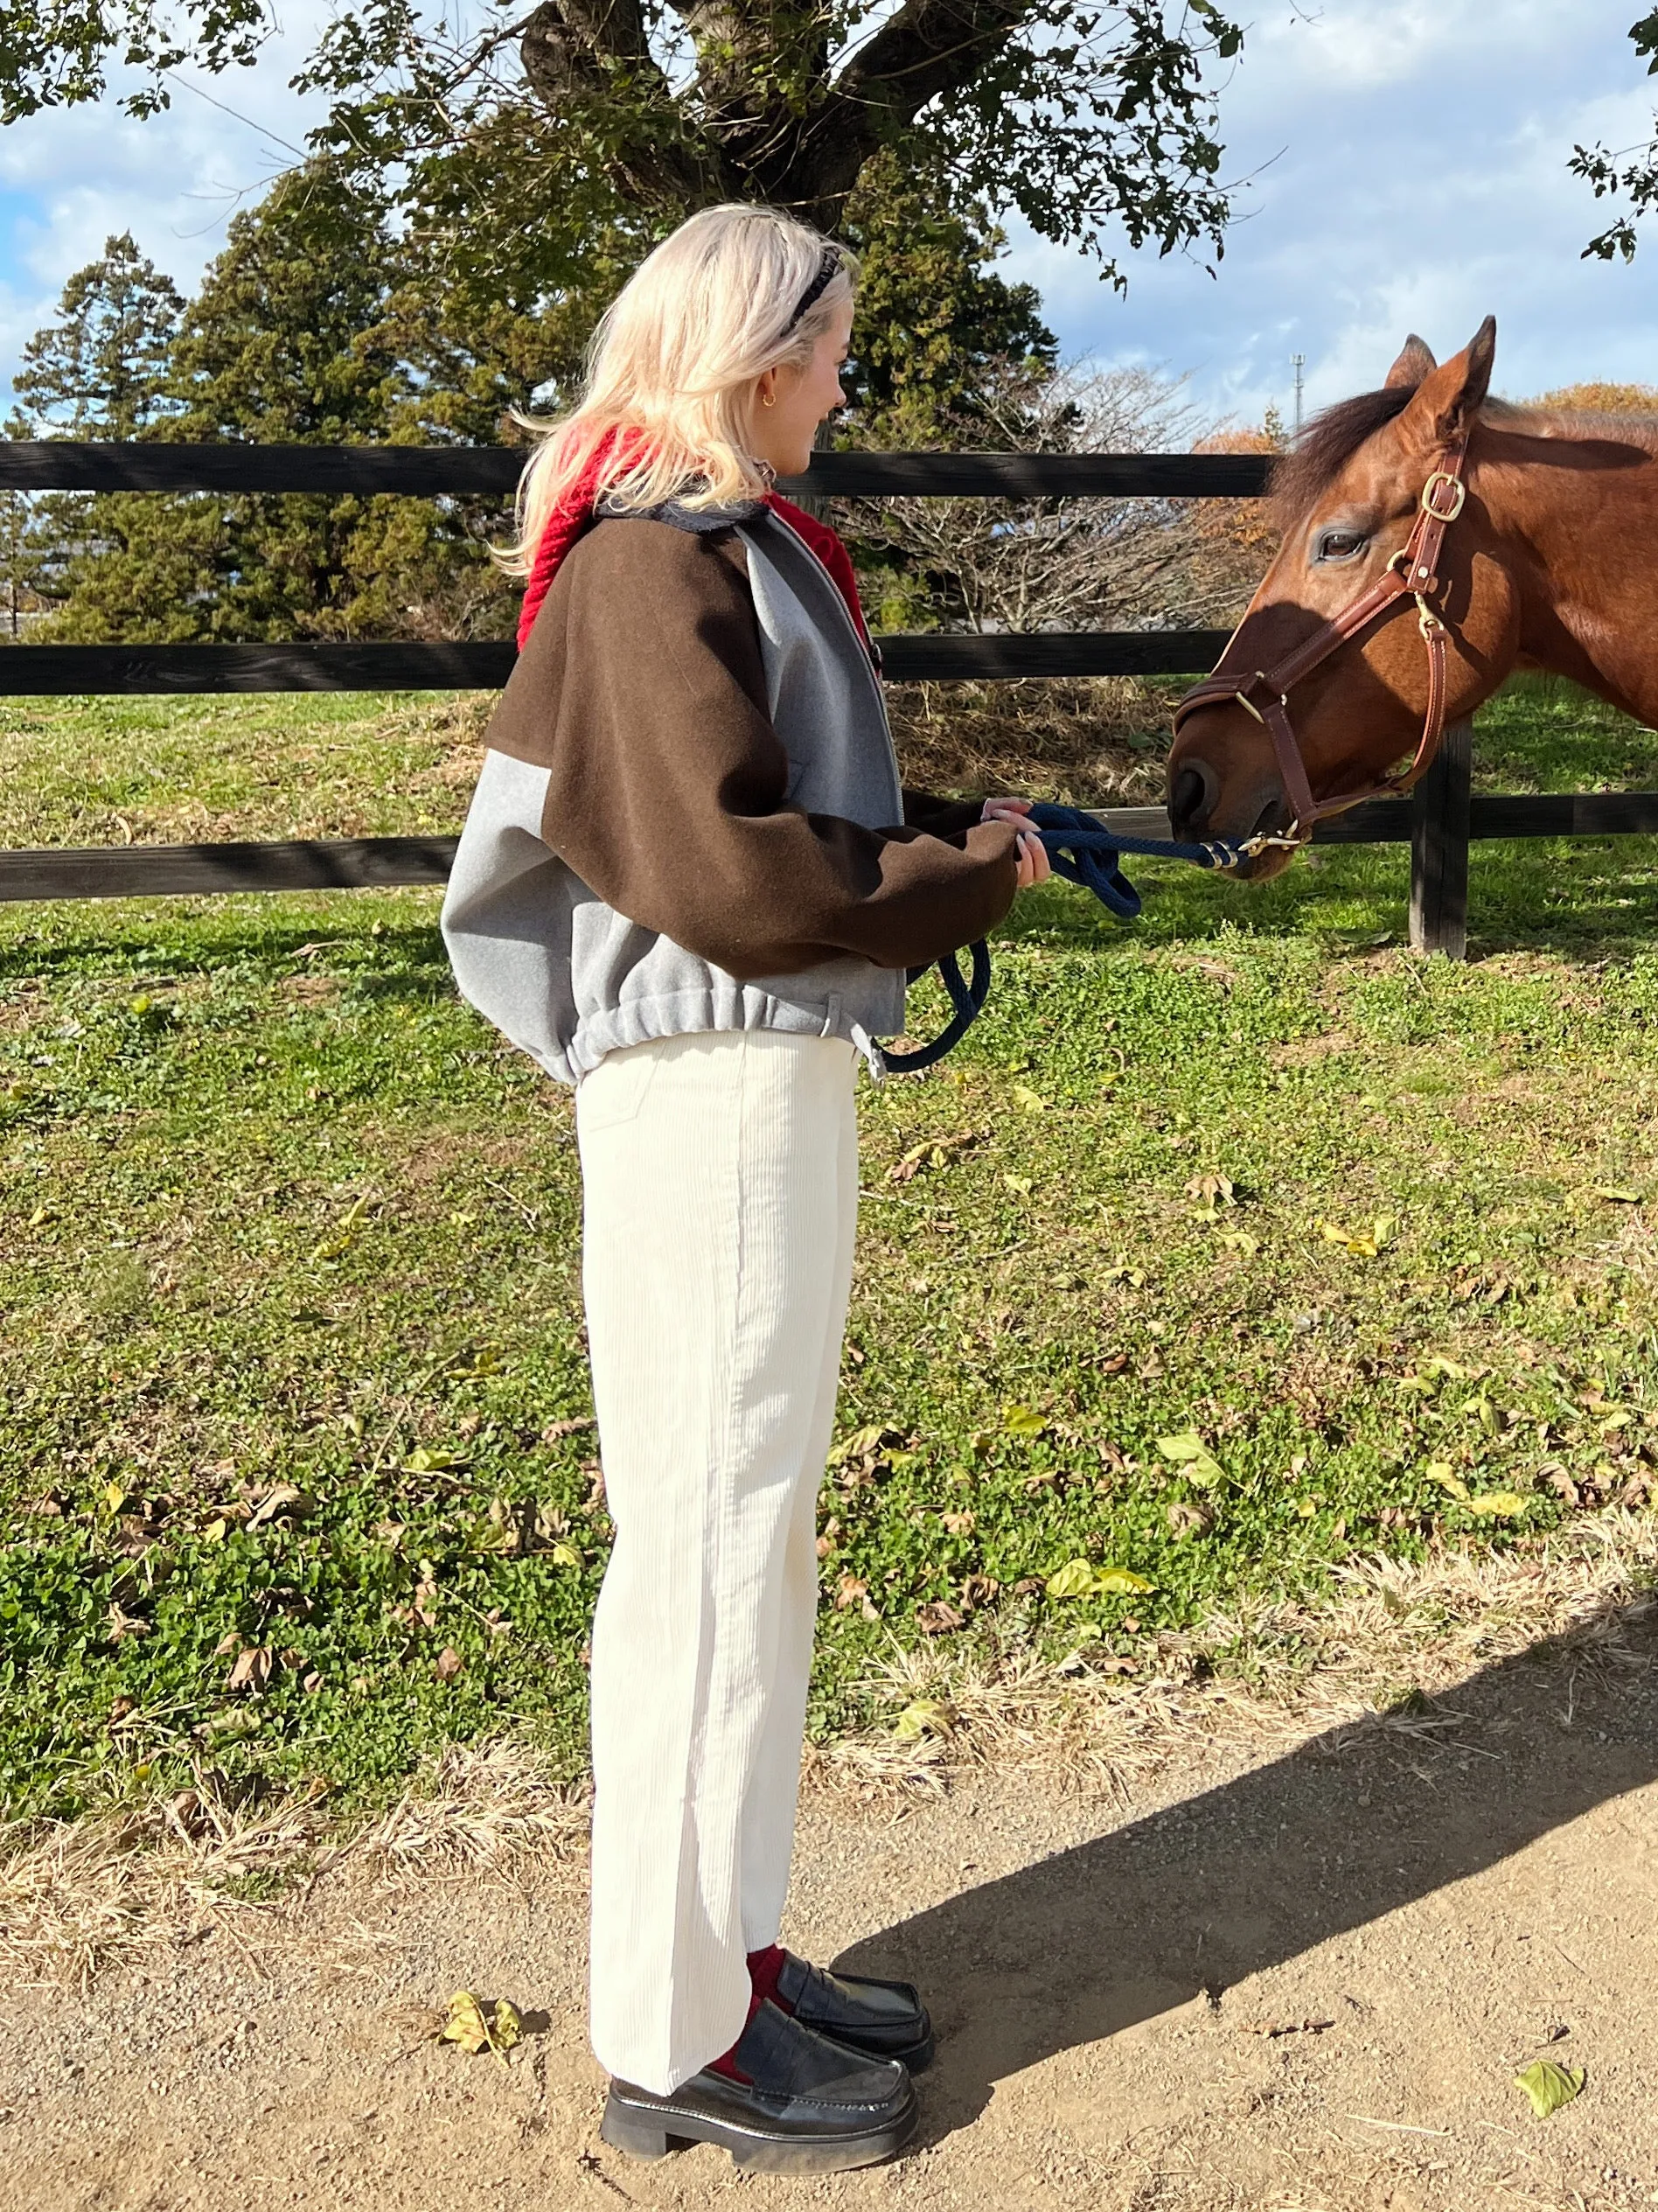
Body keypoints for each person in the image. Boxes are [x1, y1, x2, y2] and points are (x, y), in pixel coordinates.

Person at [441, 203, 1051, 2174]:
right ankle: (676, 2033)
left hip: (749, 1075)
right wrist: (963, 885)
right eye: (832, 347)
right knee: (707, 1549)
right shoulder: (648, 563)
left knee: (748, 1538)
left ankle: (733, 1954)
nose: (845, 381)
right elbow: (726, 875)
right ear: (756, 349)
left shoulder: (710, 552)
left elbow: (783, 817)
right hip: (708, 1083)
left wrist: (952, 835)